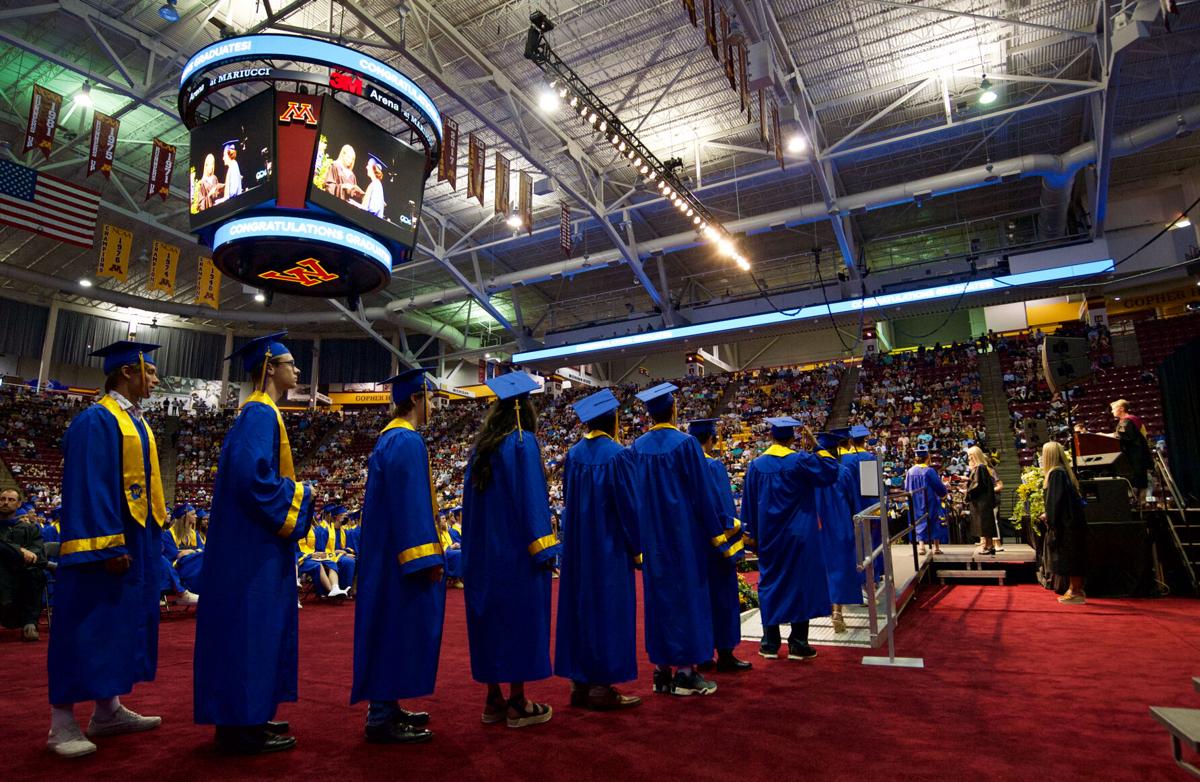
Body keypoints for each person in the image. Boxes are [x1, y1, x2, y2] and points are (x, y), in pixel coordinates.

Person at [193, 332, 315, 755]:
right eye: (290, 363)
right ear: (269, 367)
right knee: (249, 632)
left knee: (257, 632)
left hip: (254, 544)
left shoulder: (262, 414)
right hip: (251, 550)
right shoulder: (259, 414)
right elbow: (254, 481)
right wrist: (304, 494)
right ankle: (238, 724)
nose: (297, 371)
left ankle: (251, 714)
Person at [47, 341, 167, 758]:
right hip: (102, 545)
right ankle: (61, 724)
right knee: (85, 626)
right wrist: (107, 544)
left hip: (133, 541)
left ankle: (108, 711)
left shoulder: (133, 421)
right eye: (150, 372)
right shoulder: (96, 420)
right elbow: (88, 486)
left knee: (116, 628)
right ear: (127, 372)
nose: (155, 379)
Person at [628, 383, 738, 697]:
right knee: (688, 600)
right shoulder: (687, 444)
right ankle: (686, 674)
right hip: (683, 537)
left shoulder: (636, 447)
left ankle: (661, 673)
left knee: (659, 602)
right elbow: (702, 495)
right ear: (673, 411)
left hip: (652, 539)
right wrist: (717, 536)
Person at [462, 371, 559, 728]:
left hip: (483, 557)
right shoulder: (521, 442)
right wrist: (544, 550)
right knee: (519, 624)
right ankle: (518, 702)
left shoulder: (479, 452)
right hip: (516, 556)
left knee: (490, 625)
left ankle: (493, 701)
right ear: (523, 409)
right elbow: (533, 501)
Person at [352, 367, 443, 744]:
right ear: (417, 398)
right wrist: (426, 558)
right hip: (398, 559)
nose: (436, 406)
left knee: (388, 630)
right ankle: (381, 718)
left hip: (384, 554)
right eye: (433, 398)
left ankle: (386, 706)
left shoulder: (389, 439)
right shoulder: (406, 441)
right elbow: (411, 505)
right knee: (393, 630)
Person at [554, 389, 643, 711]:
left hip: (579, 549)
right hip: (609, 550)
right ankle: (602, 687)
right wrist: (638, 548)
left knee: (581, 611)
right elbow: (629, 507)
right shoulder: (619, 455)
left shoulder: (574, 455)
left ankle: (579, 685)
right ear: (613, 418)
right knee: (608, 613)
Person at [741, 417, 839, 660]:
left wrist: (752, 535)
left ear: (771, 437)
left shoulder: (756, 465)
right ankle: (798, 643)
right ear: (792, 438)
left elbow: (749, 504)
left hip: (770, 536)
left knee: (770, 583)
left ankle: (769, 643)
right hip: (800, 536)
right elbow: (831, 471)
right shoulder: (801, 460)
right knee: (800, 583)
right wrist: (815, 443)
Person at [688, 418, 752, 673]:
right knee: (722, 598)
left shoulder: (683, 466)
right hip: (715, 546)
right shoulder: (712, 466)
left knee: (699, 600)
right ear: (711, 439)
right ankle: (725, 654)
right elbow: (723, 509)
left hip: (691, 547)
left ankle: (703, 656)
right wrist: (734, 539)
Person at [813, 432, 859, 634]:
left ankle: (820, 607)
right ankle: (837, 611)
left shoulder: (811, 474)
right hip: (840, 526)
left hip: (816, 526)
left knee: (821, 568)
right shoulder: (843, 471)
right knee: (840, 568)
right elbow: (854, 503)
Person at [1042, 441, 1087, 605]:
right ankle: (1074, 589)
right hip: (1072, 522)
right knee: (1073, 556)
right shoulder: (1064, 472)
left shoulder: (1056, 474)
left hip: (1066, 524)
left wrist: (1049, 517)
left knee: (1070, 557)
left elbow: (1055, 502)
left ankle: (1075, 591)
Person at [0, 487, 46, 641]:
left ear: (19, 504)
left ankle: (30, 623)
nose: (5, 502)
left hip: (22, 575)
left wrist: (25, 555)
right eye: (2, 499)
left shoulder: (30, 529)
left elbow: (38, 554)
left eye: (11, 499)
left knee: (35, 571)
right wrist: (20, 551)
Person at [906, 447, 948, 555]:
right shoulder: (929, 471)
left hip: (915, 501)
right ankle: (936, 547)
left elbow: (907, 488)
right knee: (933, 519)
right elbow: (938, 486)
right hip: (929, 499)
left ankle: (921, 547)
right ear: (927, 458)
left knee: (918, 520)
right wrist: (943, 493)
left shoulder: (910, 471)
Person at [1111, 399, 1152, 505]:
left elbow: (1122, 437)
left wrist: (1104, 435)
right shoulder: (1132, 420)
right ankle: (1141, 503)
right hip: (1138, 454)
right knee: (1140, 481)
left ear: (1121, 408)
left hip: (1134, 456)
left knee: (1136, 480)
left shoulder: (1127, 421)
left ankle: (1139, 504)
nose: (1112, 411)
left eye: (1113, 409)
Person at [965, 446, 998, 555]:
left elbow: (978, 485)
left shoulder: (981, 467)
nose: (969, 458)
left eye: (970, 456)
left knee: (985, 525)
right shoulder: (980, 468)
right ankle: (988, 545)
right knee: (984, 525)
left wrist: (968, 492)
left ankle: (988, 546)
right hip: (982, 501)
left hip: (982, 502)